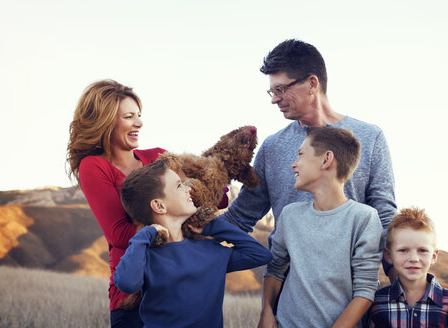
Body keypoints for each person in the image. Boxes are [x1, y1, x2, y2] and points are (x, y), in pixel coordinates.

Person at [218, 39, 397, 279]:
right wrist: (184, 233)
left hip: (353, 292)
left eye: (281, 89)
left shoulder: (370, 137)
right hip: (288, 289)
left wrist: (403, 287)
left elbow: (384, 218)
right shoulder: (272, 147)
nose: (274, 99)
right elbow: (241, 216)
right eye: (272, 91)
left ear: (312, 83)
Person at [66, 79, 229, 327]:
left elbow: (215, 197)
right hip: (135, 293)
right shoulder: (94, 166)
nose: (139, 123)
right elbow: (119, 235)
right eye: (129, 117)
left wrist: (215, 174)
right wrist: (176, 224)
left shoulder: (157, 157)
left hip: (178, 285)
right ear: (106, 120)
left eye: (139, 115)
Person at [113, 158, 272, 328]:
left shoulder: (210, 251)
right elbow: (127, 283)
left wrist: (212, 225)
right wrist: (145, 235)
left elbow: (260, 254)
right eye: (179, 185)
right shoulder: (146, 255)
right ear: (159, 205)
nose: (189, 189)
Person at [258, 126, 382, 328]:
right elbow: (275, 268)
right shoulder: (290, 215)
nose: (293, 164)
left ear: (326, 159)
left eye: (300, 155)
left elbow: (365, 290)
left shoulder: (363, 218)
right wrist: (267, 312)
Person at [366, 207, 448, 328]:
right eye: (403, 250)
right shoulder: (378, 303)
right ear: (388, 255)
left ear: (434, 256)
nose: (414, 258)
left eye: (422, 250)